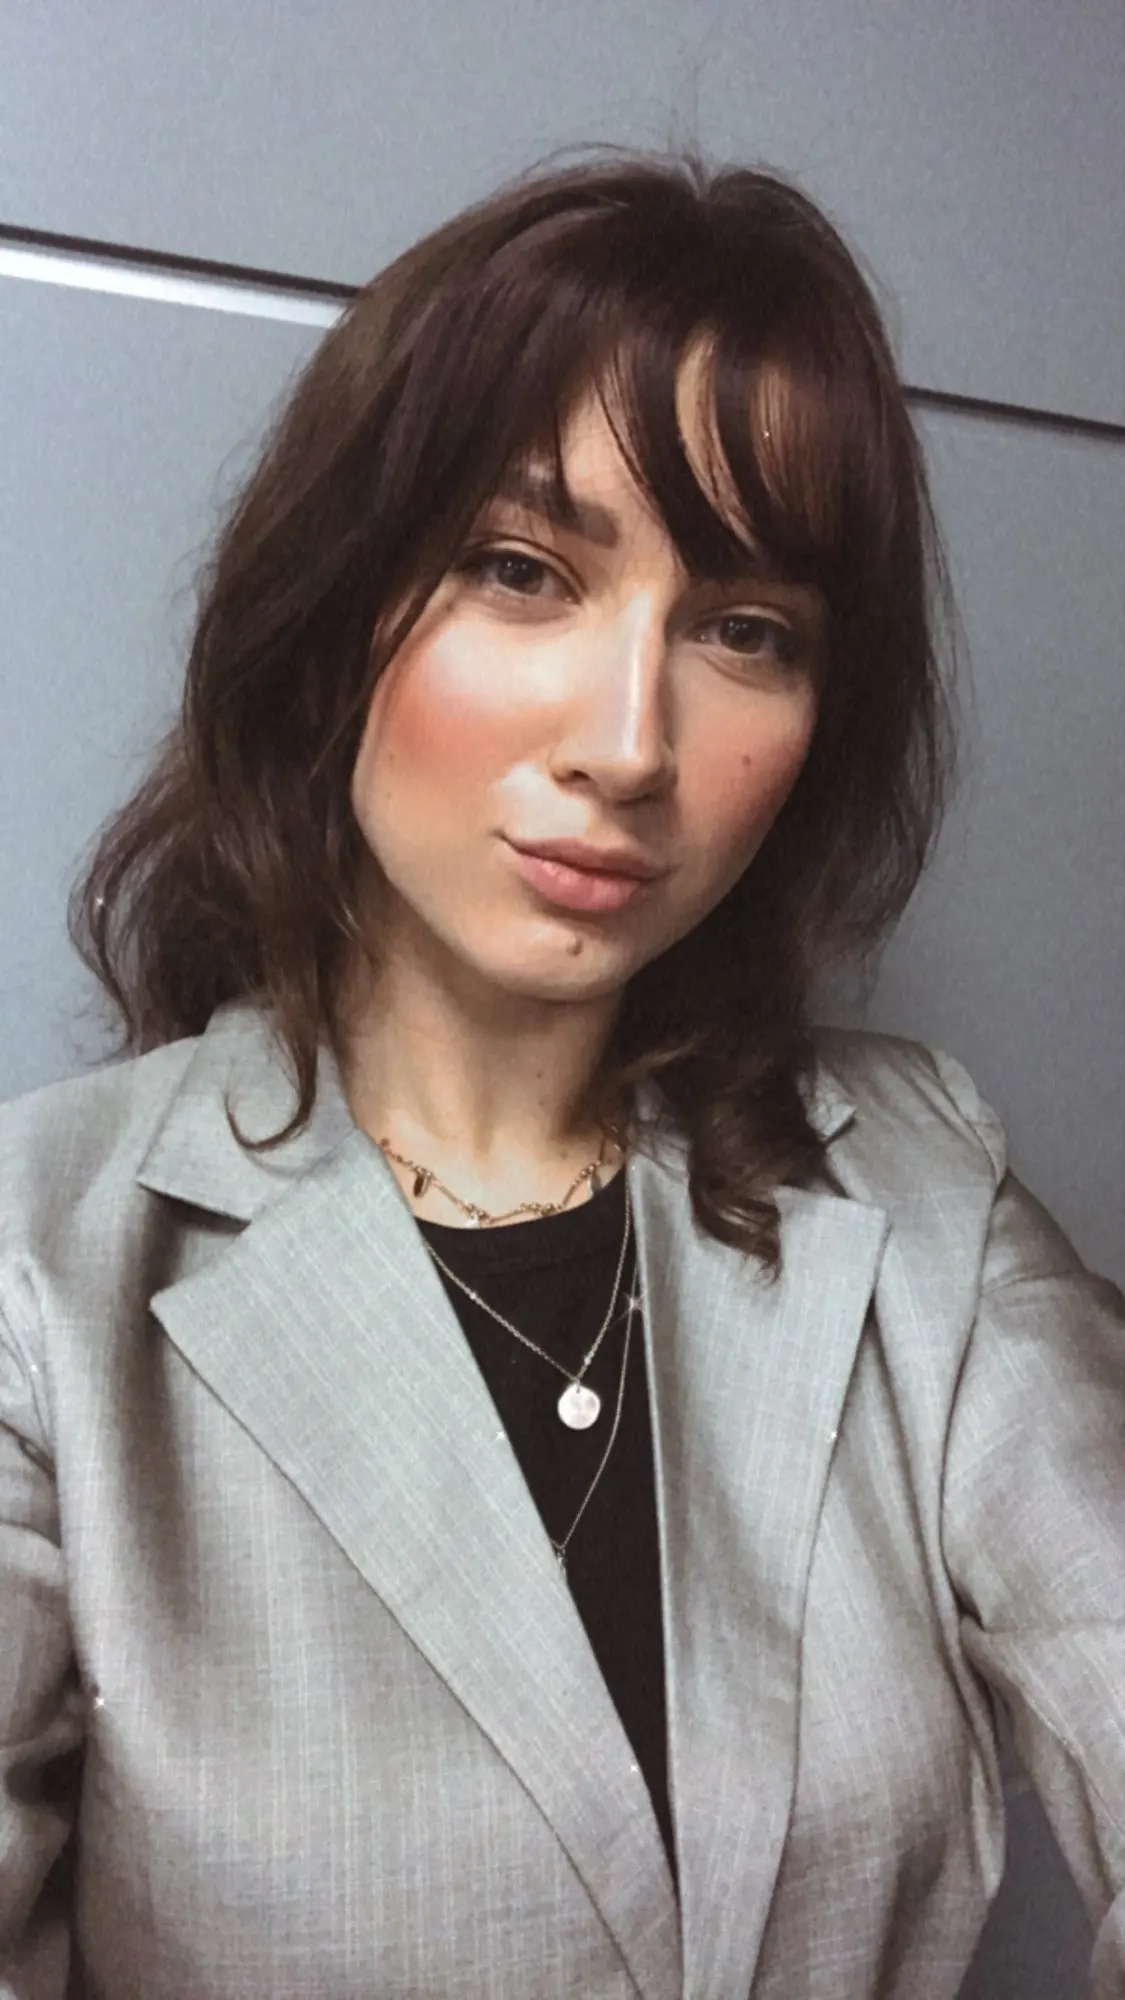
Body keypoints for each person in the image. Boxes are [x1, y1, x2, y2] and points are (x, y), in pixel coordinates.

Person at [1, 143, 1122, 2000]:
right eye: (524, 571)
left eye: (745, 630)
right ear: (340, 611)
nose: (629, 742)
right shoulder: (43, 1266)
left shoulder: (921, 1185)